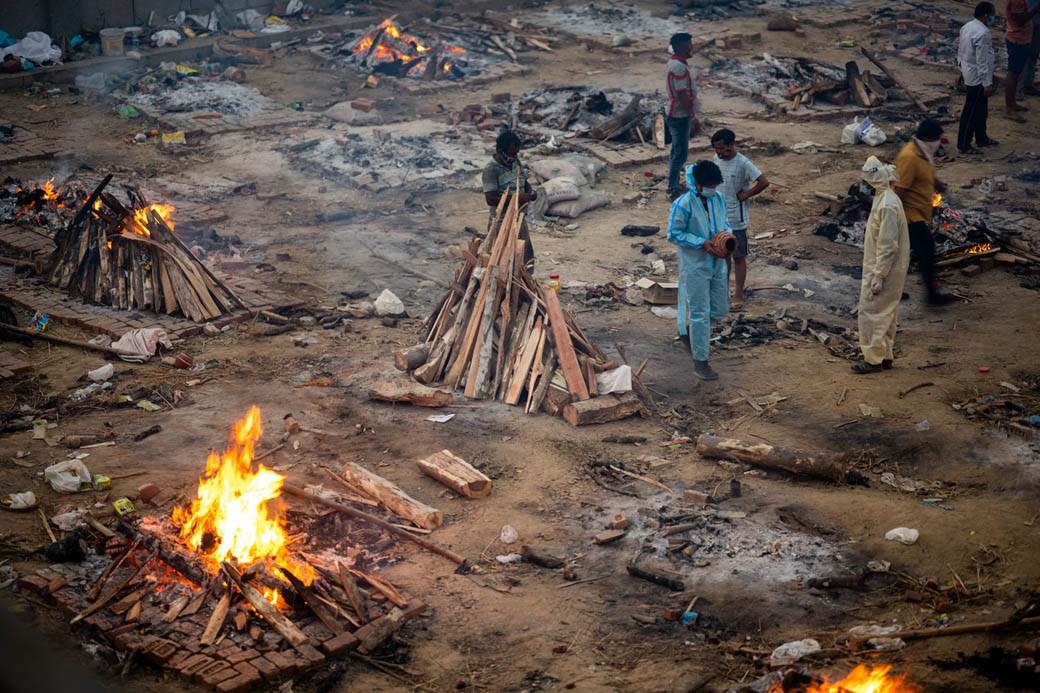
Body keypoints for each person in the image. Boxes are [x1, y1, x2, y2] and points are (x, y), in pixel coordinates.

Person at [667, 161, 731, 381]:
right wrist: (702, 243)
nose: (714, 188)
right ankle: (701, 362)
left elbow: (726, 223)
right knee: (700, 312)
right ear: (698, 183)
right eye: (710, 185)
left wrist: (726, 238)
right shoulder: (683, 204)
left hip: (718, 262)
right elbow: (674, 234)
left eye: (716, 185)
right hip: (695, 265)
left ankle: (690, 331)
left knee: (720, 309)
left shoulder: (718, 199)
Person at [853, 156, 911, 374]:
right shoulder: (885, 198)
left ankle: (873, 359)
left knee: (872, 312)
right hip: (887, 268)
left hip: (884, 270)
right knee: (886, 312)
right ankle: (885, 355)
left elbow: (888, 245)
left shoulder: (887, 205)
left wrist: (879, 275)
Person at [710, 128, 770, 309]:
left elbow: (764, 182)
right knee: (722, 256)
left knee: (738, 256)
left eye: (721, 148)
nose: (718, 152)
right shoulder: (716, 160)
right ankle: (723, 291)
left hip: (736, 219)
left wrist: (745, 195)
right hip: (719, 217)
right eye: (715, 148)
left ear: (730, 145)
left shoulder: (743, 163)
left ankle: (738, 295)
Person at [894, 118, 951, 306]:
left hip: (919, 212)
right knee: (926, 252)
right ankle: (932, 294)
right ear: (927, 137)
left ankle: (890, 289)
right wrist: (895, 219)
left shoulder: (922, 152)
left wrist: (937, 184)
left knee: (899, 255)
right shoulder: (909, 157)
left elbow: (926, 172)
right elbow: (899, 190)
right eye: (937, 139)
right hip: (910, 216)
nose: (938, 143)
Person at [482, 130, 536, 266]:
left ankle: (525, 281)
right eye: (511, 153)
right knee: (503, 255)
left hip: (519, 216)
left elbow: (523, 180)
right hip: (502, 220)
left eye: (516, 153)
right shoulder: (491, 170)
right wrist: (517, 197)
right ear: (501, 151)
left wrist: (530, 191)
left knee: (525, 252)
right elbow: (491, 199)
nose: (514, 156)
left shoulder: (515, 162)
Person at [957, 2, 998, 152]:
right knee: (972, 111)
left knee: (981, 109)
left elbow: (960, 51)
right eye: (992, 15)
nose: (993, 18)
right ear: (986, 15)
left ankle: (982, 138)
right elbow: (982, 60)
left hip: (969, 71)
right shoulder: (983, 33)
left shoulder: (967, 27)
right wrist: (987, 82)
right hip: (977, 77)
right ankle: (964, 144)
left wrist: (961, 69)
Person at [665, 32, 701, 200]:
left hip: (677, 113)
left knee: (677, 152)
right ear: (680, 47)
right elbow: (682, 95)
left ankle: (673, 185)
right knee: (680, 154)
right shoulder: (678, 66)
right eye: (688, 45)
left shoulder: (676, 64)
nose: (691, 48)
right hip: (679, 115)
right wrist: (692, 116)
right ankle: (672, 189)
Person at [1007, 0, 1040, 115]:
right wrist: (1036, 8)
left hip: (1030, 30)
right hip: (1018, 38)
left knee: (1032, 56)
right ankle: (1014, 97)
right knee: (1015, 70)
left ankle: (1026, 85)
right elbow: (1019, 21)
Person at [1017, 0, 1040, 96]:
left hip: (1037, 23)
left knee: (1033, 54)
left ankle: (1027, 84)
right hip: (1027, 24)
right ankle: (1019, 87)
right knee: (1024, 55)